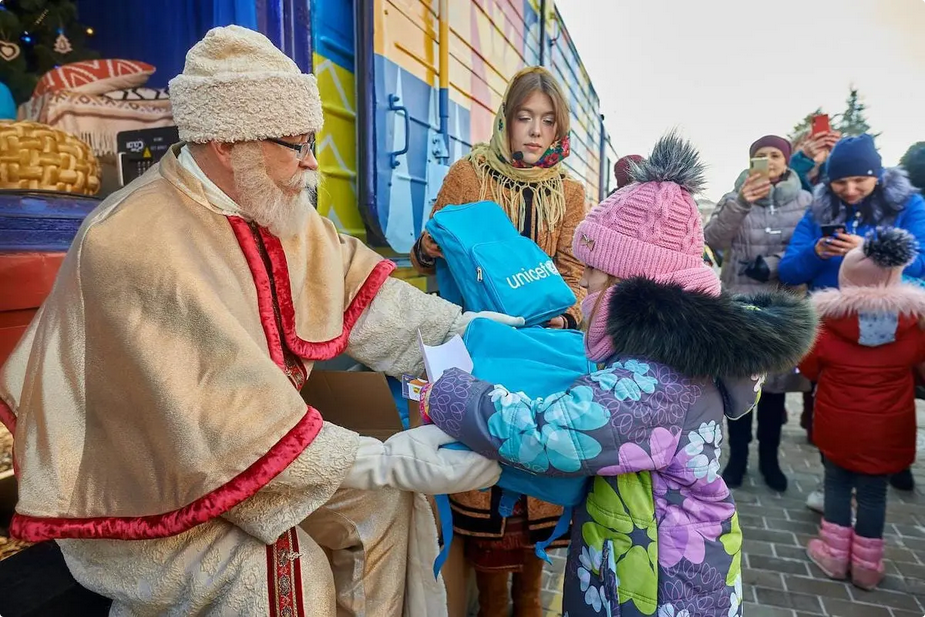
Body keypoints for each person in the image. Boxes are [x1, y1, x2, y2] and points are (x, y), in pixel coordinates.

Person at [0, 25, 514, 616]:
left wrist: (469, 331)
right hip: (144, 494)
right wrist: (389, 458)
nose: (311, 163)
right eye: (295, 144)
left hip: (247, 455)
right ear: (227, 142)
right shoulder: (133, 243)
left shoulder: (268, 203)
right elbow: (221, 417)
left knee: (384, 508)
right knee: (283, 577)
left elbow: (369, 300)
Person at [420, 133, 817, 616]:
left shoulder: (657, 379)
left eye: (592, 271)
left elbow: (551, 434)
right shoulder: (679, 352)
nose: (582, 283)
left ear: (627, 279)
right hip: (653, 567)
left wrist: (450, 391)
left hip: (655, 587)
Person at [410, 66, 586, 616]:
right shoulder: (468, 174)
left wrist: (564, 319)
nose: (535, 132)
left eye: (547, 121)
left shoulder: (572, 191)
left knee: (538, 472)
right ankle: (491, 603)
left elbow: (574, 277)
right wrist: (431, 246)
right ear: (506, 121)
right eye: (524, 118)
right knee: (484, 476)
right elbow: (426, 251)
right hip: (479, 345)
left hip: (542, 354)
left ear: (560, 130)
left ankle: (530, 600)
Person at [780, 133, 925, 512]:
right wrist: (816, 252)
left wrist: (865, 249)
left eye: (859, 180)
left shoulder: (909, 205)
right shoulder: (819, 212)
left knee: (887, 404)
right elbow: (790, 269)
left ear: (877, 174)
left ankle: (886, 472)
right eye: (839, 182)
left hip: (893, 326)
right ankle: (835, 483)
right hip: (835, 329)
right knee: (831, 409)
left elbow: (921, 258)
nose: (849, 189)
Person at [800, 227, 925, 590]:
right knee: (874, 492)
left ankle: (835, 557)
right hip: (888, 428)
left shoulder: (826, 326)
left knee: (836, 484)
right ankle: (868, 567)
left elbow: (809, 369)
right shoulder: (913, 328)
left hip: (838, 422)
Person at [704, 135, 813, 492]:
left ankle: (770, 459)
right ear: (751, 163)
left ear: (786, 161)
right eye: (760, 156)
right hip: (740, 309)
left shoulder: (805, 201)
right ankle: (736, 459)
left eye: (775, 155)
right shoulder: (735, 197)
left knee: (776, 390)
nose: (768, 161)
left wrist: (775, 264)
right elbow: (712, 239)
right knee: (739, 385)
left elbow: (809, 249)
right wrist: (740, 203)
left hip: (782, 307)